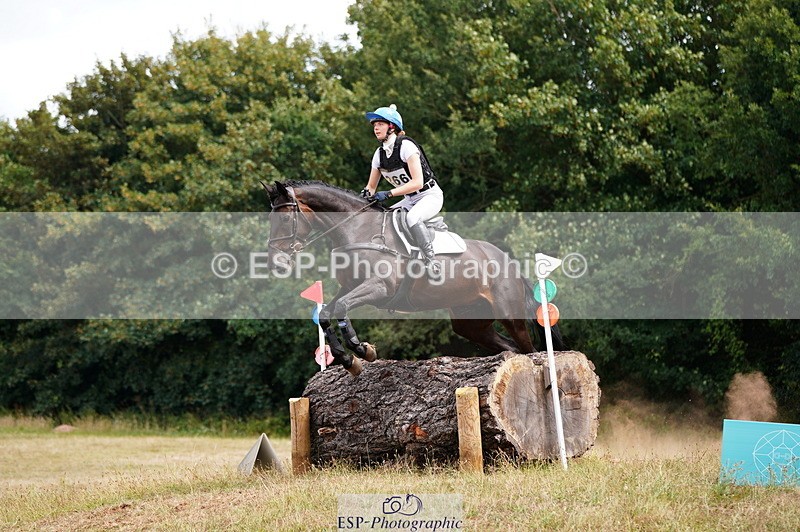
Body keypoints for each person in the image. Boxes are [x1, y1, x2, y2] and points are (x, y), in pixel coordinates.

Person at [361, 104, 444, 274]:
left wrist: (389, 193)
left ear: (392, 127)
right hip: (409, 199)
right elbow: (371, 186)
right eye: (374, 125)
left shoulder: (406, 146)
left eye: (380, 124)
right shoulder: (379, 154)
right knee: (381, 220)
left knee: (412, 218)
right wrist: (363, 196)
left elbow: (417, 182)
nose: (376, 128)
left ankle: (431, 261)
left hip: (429, 195)